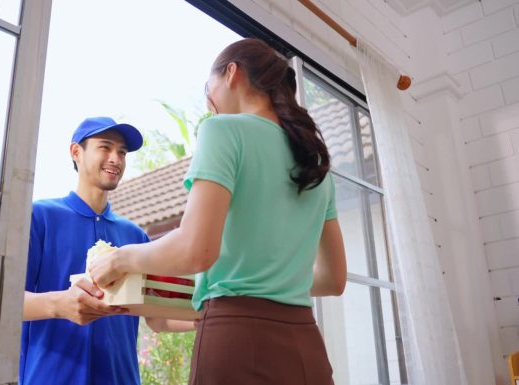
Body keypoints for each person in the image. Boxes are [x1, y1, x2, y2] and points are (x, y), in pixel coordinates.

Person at [89, 38, 347, 385]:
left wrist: (120, 259)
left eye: (207, 85)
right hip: (306, 344)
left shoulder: (223, 130)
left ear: (231, 73)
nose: (207, 98)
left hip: (239, 341)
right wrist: (272, 276)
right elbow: (334, 280)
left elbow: (197, 250)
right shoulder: (314, 161)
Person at [20, 116, 154, 385]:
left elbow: (156, 316)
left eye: (122, 152)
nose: (116, 158)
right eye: (105, 147)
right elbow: (7, 303)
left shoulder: (136, 237)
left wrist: (206, 314)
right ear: (76, 152)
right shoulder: (40, 216)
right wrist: (60, 305)